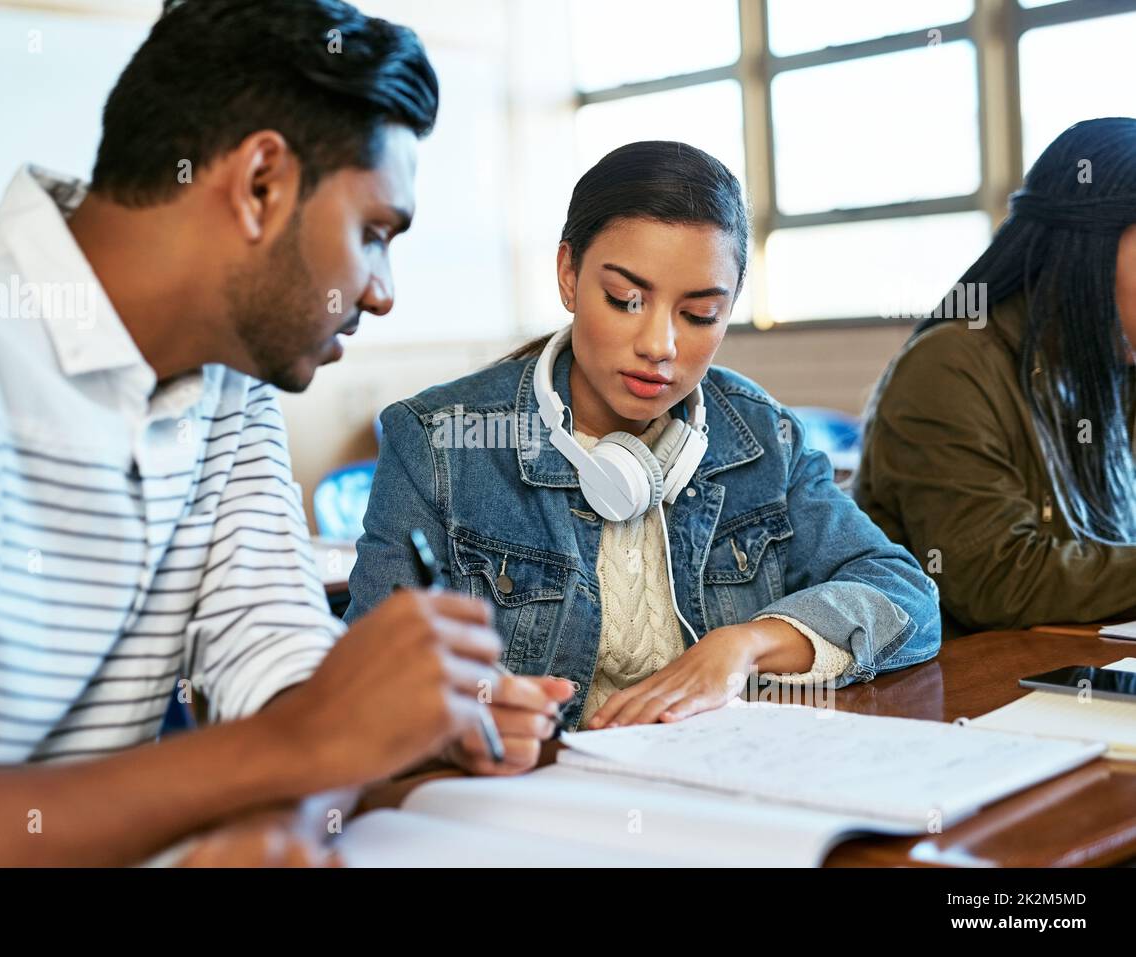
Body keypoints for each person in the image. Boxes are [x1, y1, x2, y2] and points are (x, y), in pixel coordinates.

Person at [0, 0, 547, 866]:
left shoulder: (231, 384)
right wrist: (301, 747)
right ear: (260, 185)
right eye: (373, 233)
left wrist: (291, 808)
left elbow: (285, 680)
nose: (382, 290)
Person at [345, 141, 941, 775]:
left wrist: (742, 647)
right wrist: (465, 715)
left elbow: (906, 597)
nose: (660, 346)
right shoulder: (438, 439)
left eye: (700, 314)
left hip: (719, 791)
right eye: (626, 300)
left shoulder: (764, 437)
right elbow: (363, 677)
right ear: (569, 274)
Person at [855, 117, 1136, 635]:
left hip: (1065, 663)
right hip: (958, 690)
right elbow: (999, 579)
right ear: (1089, 248)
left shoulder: (1114, 369)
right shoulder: (951, 366)